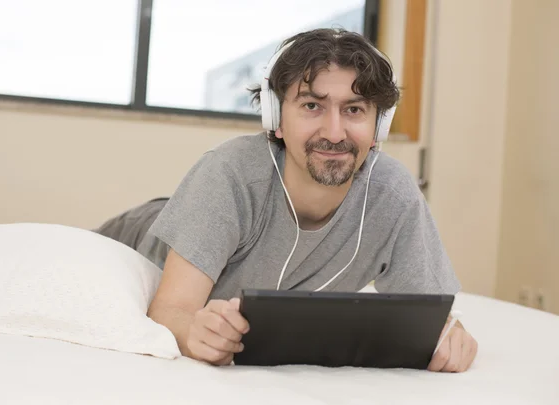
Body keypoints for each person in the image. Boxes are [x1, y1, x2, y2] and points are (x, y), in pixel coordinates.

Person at [99, 28, 478, 372]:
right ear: (276, 118)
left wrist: (452, 337)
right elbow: (170, 309)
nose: (334, 132)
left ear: (379, 127)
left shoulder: (392, 195)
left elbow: (436, 318)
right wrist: (193, 331)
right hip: (133, 237)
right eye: (312, 106)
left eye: (354, 110)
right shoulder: (229, 174)